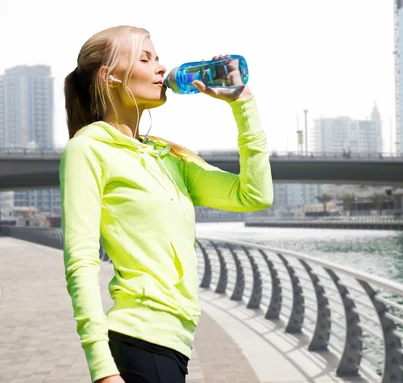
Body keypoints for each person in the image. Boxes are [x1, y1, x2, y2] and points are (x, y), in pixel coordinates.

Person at [60, 26, 273, 383]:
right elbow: (80, 260)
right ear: (109, 77)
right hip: (139, 343)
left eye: (158, 59)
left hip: (174, 346)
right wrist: (102, 369)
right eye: (145, 59)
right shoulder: (88, 149)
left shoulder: (167, 156)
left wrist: (243, 104)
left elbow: (253, 195)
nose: (161, 69)